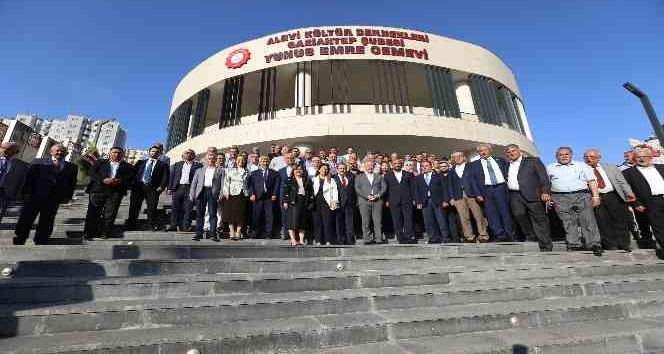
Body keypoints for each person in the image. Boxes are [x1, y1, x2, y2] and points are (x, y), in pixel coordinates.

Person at [13, 144, 78, 245]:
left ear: (66, 153)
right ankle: (20, 237)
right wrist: (25, 192)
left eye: (62, 151)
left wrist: (68, 197)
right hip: (35, 195)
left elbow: (71, 184)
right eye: (57, 150)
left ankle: (41, 239)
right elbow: (29, 178)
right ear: (51, 152)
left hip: (54, 198)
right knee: (27, 217)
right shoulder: (38, 162)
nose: (60, 153)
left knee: (48, 219)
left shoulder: (72, 167)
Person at [547, 147, 603, 256]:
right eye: (561, 155)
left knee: (587, 220)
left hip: (581, 195)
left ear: (571, 155)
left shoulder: (582, 165)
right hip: (560, 197)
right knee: (568, 222)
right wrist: (549, 198)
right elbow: (547, 184)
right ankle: (574, 245)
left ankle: (594, 244)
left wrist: (595, 197)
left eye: (566, 154)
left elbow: (591, 181)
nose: (564, 156)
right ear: (556, 156)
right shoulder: (550, 167)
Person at [583, 148, 636, 251]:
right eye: (586, 157)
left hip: (614, 196)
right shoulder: (582, 169)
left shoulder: (611, 167)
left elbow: (621, 181)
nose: (589, 159)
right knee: (603, 222)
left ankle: (624, 244)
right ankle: (611, 245)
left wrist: (629, 192)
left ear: (599, 157)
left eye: (592, 157)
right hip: (597, 198)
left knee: (620, 221)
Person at [504, 144, 553, 251]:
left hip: (533, 194)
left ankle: (546, 244)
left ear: (519, 151)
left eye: (513, 151)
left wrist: (545, 192)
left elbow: (544, 178)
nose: (511, 153)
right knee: (518, 215)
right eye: (509, 152)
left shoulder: (533, 161)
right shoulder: (507, 165)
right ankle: (531, 235)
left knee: (539, 219)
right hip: (515, 195)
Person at [83, 147, 135, 240]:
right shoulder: (100, 162)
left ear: (123, 154)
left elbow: (131, 178)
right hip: (98, 190)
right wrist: (103, 180)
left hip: (116, 192)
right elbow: (92, 172)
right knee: (93, 212)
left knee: (110, 213)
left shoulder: (128, 166)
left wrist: (120, 181)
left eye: (119, 153)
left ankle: (105, 232)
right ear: (109, 153)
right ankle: (88, 233)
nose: (116, 154)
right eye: (114, 152)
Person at [622, 147, 664, 258]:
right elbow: (628, 190)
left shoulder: (661, 167)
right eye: (638, 157)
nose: (641, 159)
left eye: (644, 156)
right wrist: (636, 203)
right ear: (635, 159)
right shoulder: (628, 172)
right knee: (659, 226)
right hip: (651, 201)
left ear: (650, 157)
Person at [468, 144, 514, 241]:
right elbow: (473, 180)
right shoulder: (474, 164)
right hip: (486, 190)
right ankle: (499, 234)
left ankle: (510, 234)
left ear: (490, 150)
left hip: (501, 188)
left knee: (505, 211)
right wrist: (477, 194)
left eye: (485, 150)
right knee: (491, 214)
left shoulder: (500, 160)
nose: (483, 152)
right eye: (481, 151)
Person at [448, 152, 489, 242]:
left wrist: (478, 194)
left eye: (459, 156)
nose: (457, 158)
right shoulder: (451, 170)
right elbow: (450, 185)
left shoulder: (471, 166)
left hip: (472, 195)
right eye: (455, 157)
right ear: (453, 159)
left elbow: (476, 180)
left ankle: (483, 235)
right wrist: (451, 198)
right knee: (464, 218)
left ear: (464, 157)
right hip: (458, 196)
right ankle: (469, 237)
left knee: (478, 216)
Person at [127, 145, 169, 231]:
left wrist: (161, 187)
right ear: (149, 152)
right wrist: (132, 184)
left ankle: (150, 225)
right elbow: (132, 173)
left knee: (152, 208)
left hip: (153, 189)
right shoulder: (140, 162)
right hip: (138, 187)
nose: (154, 153)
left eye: (157, 152)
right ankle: (131, 224)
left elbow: (165, 177)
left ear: (160, 154)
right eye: (153, 151)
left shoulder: (163, 164)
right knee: (134, 207)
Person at [190, 153, 224, 241]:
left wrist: (221, 194)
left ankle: (212, 234)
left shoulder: (220, 170)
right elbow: (194, 183)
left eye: (213, 158)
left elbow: (223, 183)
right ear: (206, 160)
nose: (211, 160)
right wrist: (192, 194)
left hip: (213, 192)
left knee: (212, 214)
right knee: (199, 214)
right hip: (201, 192)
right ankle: (198, 233)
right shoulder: (199, 170)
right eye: (209, 158)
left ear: (215, 159)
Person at [415, 161, 451, 243]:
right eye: (423, 166)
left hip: (438, 201)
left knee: (441, 220)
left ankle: (445, 237)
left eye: (426, 166)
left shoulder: (438, 176)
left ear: (431, 167)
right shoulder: (418, 178)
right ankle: (433, 238)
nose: (424, 167)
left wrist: (445, 200)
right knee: (428, 222)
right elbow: (416, 191)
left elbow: (445, 189)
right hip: (425, 202)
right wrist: (418, 202)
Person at [167, 149, 202, 232]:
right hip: (178, 188)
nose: (189, 154)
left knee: (188, 209)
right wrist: (169, 188)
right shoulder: (177, 164)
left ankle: (185, 226)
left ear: (194, 156)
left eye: (191, 153)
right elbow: (172, 176)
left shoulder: (198, 165)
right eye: (187, 153)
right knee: (175, 208)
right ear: (183, 155)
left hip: (190, 189)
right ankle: (173, 225)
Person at [384, 159, 417, 244]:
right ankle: (400, 238)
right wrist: (387, 200)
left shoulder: (408, 174)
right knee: (396, 220)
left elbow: (412, 188)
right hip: (393, 201)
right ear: (392, 165)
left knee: (408, 219)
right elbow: (386, 189)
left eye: (399, 163)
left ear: (401, 164)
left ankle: (408, 236)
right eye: (395, 164)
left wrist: (414, 199)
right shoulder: (387, 175)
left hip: (407, 200)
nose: (397, 165)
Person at [355, 158, 387, 244]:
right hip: (364, 201)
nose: (370, 167)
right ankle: (367, 239)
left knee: (378, 221)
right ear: (364, 167)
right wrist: (367, 196)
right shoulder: (359, 177)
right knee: (365, 221)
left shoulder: (379, 176)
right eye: (368, 166)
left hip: (377, 201)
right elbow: (357, 189)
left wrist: (378, 195)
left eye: (371, 166)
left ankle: (378, 239)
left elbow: (384, 188)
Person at [281, 164, 313, 246]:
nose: (298, 171)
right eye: (296, 169)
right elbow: (285, 191)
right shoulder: (288, 180)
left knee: (302, 222)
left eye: (300, 169)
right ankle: (293, 239)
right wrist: (285, 201)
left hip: (304, 202)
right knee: (292, 222)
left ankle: (301, 240)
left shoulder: (307, 180)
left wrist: (310, 202)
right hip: (293, 202)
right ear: (293, 171)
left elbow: (311, 192)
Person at [249, 156, 280, 238]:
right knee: (257, 215)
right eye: (263, 161)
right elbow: (251, 185)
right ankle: (255, 233)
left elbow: (277, 185)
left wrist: (274, 194)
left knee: (269, 216)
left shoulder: (274, 173)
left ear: (269, 162)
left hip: (269, 197)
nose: (265, 163)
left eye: (266, 161)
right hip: (257, 197)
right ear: (260, 162)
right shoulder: (254, 173)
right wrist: (252, 194)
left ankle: (268, 233)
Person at [222, 155, 250, 240]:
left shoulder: (247, 171)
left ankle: (238, 232)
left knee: (241, 214)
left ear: (245, 162)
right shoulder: (231, 171)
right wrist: (226, 192)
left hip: (243, 194)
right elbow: (226, 182)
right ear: (236, 161)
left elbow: (249, 183)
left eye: (242, 160)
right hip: (232, 194)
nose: (240, 161)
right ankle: (231, 232)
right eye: (239, 160)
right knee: (231, 214)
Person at [0, 142, 29, 224]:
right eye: (3, 148)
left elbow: (21, 180)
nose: (5, 150)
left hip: (5, 193)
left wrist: (17, 194)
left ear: (15, 152)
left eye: (9, 149)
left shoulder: (20, 165)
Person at [312, 164, 339, 245]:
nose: (325, 170)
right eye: (323, 169)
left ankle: (328, 240)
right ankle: (318, 240)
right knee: (317, 222)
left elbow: (335, 191)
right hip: (316, 202)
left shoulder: (331, 180)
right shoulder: (314, 179)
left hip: (327, 202)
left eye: (327, 169)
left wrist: (335, 201)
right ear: (319, 169)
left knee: (327, 222)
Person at [437, 160, 461, 242]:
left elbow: (455, 187)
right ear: (439, 168)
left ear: (448, 166)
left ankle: (458, 237)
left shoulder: (453, 174)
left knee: (456, 220)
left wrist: (452, 198)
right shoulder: (437, 176)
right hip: (444, 202)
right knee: (446, 220)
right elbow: (441, 190)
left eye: (445, 166)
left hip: (455, 200)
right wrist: (445, 200)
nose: (443, 168)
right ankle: (451, 237)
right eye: (441, 167)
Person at [333, 163, 356, 245]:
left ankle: (349, 239)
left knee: (349, 222)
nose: (342, 170)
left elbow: (354, 190)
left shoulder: (351, 177)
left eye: (344, 168)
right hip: (338, 203)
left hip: (349, 203)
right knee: (339, 222)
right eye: (340, 168)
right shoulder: (333, 178)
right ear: (337, 169)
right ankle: (340, 239)